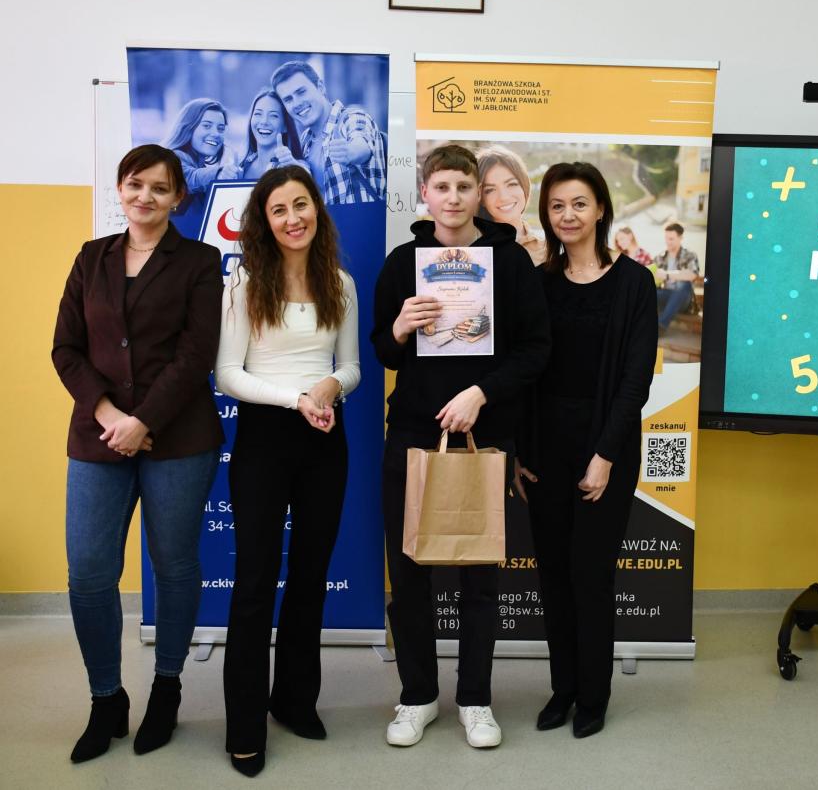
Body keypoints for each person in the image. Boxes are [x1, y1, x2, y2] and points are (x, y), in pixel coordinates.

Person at [371, 144, 549, 750]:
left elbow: (536, 350)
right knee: (408, 574)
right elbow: (383, 352)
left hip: (484, 436)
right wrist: (400, 328)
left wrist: (481, 392)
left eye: (464, 187)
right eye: (442, 187)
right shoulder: (403, 263)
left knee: (479, 577)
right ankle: (418, 695)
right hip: (413, 433)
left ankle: (475, 699)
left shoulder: (511, 261)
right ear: (424, 192)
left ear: (479, 194)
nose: (453, 198)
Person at [51, 144, 224, 763]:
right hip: (98, 436)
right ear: (120, 190)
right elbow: (65, 348)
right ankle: (106, 699)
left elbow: (197, 353)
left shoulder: (200, 261)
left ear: (178, 197)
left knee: (173, 566)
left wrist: (143, 421)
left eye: (159, 187)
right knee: (88, 573)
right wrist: (111, 417)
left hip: (178, 437)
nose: (145, 196)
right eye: (135, 184)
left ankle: (167, 689)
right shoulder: (90, 257)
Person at [215, 165, 361, 777]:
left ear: (316, 210)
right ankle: (245, 726)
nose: (293, 218)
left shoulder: (340, 284)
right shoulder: (245, 283)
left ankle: (295, 701)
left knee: (309, 576)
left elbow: (351, 366)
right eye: (279, 210)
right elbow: (228, 374)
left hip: (325, 437)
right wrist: (294, 398)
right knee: (254, 582)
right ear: (264, 221)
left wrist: (329, 387)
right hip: (265, 438)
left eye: (301, 205)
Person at [514, 162, 658, 738]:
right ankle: (564, 689)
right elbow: (525, 370)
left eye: (579, 203)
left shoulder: (634, 283)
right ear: (546, 214)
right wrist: (520, 452)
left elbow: (635, 381)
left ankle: (594, 696)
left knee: (591, 576)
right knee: (553, 575)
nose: (568, 215)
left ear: (601, 209)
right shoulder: (540, 283)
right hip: (545, 449)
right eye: (557, 206)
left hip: (606, 447)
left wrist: (604, 456)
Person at [270, 61, 387, 206]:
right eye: (288, 99)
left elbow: (362, 143)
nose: (297, 103)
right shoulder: (306, 141)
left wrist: (350, 152)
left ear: (320, 87)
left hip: (362, 219)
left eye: (301, 92)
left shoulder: (351, 118)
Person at [162, 98, 241, 239]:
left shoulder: (199, 165)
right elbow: (190, 178)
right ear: (189, 127)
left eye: (220, 128)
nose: (216, 133)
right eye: (206, 126)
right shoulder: (171, 158)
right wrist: (219, 173)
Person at [477, 145, 547, 265]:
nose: (504, 197)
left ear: (524, 185)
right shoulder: (472, 250)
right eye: (490, 190)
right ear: (481, 198)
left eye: (511, 184)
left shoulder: (548, 251)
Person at [239, 89, 306, 182]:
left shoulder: (295, 166)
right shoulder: (242, 167)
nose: (264, 121)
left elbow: (306, 177)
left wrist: (295, 170)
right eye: (258, 114)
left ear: (285, 126)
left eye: (273, 116)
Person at [652, 222, 701, 330]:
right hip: (665, 296)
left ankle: (661, 325)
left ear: (681, 238)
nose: (667, 242)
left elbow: (692, 274)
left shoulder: (690, 255)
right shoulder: (659, 257)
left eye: (671, 239)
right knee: (646, 290)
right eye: (666, 238)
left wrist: (667, 275)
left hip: (683, 300)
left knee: (684, 284)